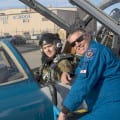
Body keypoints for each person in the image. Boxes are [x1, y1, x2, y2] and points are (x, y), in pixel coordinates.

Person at [58, 25, 120, 120]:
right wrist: (68, 74)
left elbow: (83, 83)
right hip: (101, 105)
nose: (77, 44)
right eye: (73, 44)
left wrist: (64, 111)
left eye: (79, 39)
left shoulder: (94, 51)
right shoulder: (86, 58)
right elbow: (81, 76)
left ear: (88, 36)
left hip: (112, 104)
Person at [36, 32, 77, 109]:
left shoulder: (62, 62)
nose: (47, 50)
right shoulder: (46, 64)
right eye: (44, 48)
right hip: (48, 96)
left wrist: (65, 74)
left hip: (59, 101)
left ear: (57, 45)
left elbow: (66, 71)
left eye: (49, 46)